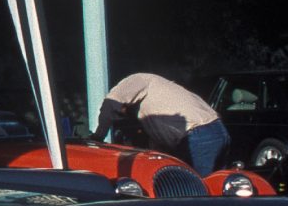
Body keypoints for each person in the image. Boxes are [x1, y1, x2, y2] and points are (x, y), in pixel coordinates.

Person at [93, 72, 229, 173]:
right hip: (217, 131)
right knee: (216, 189)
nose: (123, 113)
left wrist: (98, 137)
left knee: (196, 191)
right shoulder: (156, 104)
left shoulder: (135, 80)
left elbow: (110, 105)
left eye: (122, 110)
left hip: (199, 135)